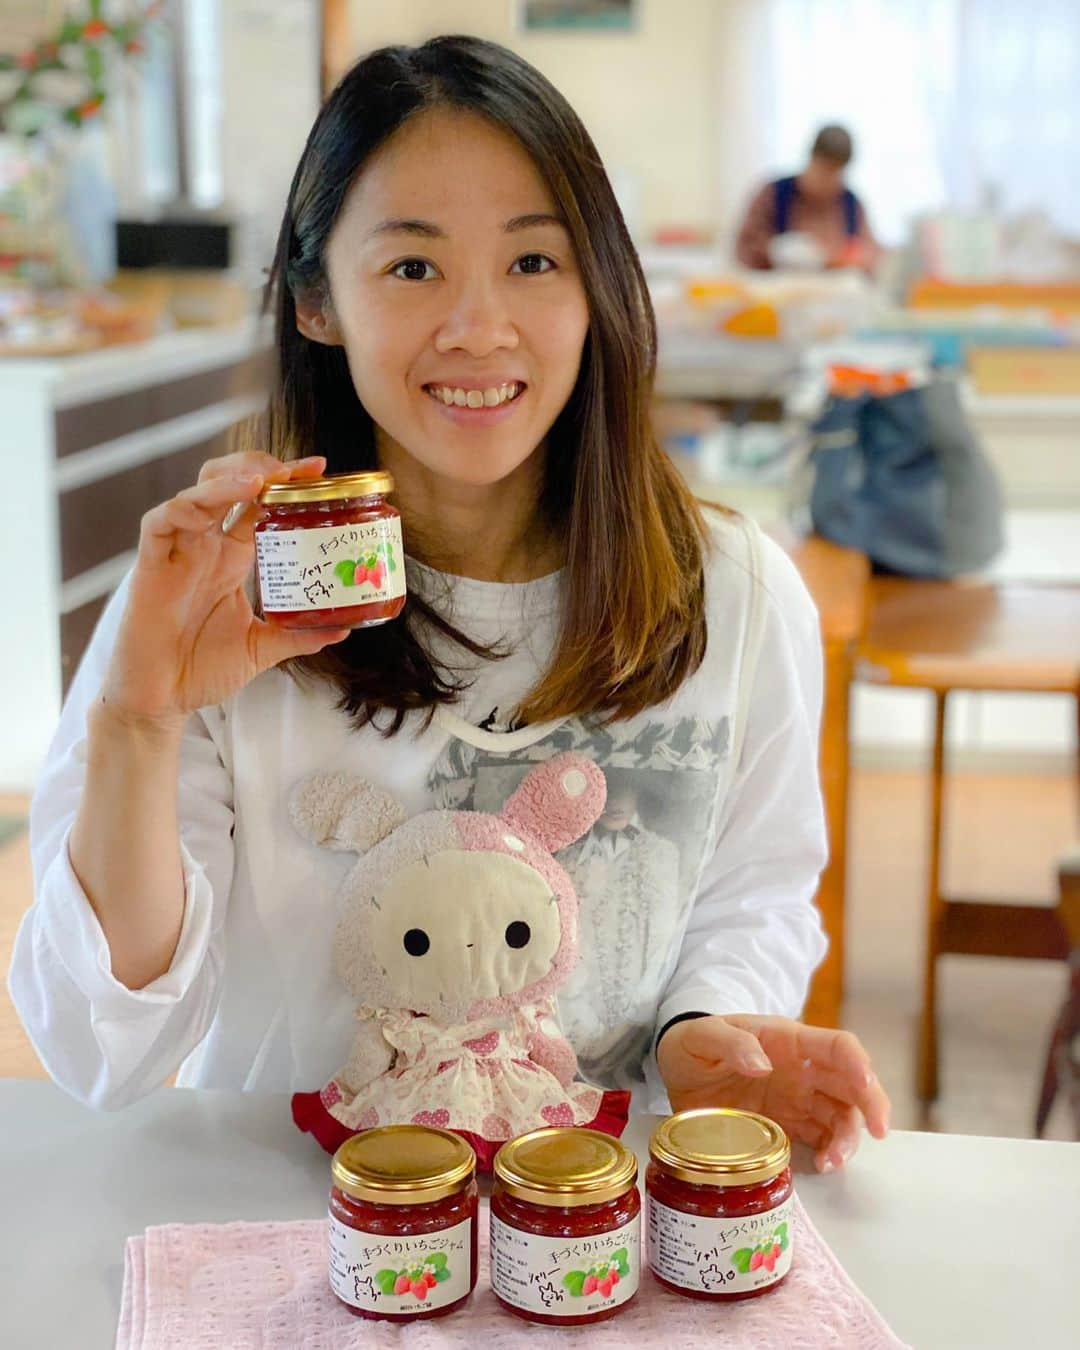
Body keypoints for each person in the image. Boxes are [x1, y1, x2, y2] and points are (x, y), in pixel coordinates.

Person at [9, 36, 889, 1173]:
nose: (480, 326)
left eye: (534, 263)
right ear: (316, 300)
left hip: (593, 1229)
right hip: (296, 1234)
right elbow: (102, 1048)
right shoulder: (219, 598)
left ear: (599, 287)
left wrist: (703, 1029)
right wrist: (137, 717)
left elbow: (753, 887)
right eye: (414, 269)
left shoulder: (737, 592)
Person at [735, 124, 880, 272]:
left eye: (836, 173)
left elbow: (871, 253)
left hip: (835, 291)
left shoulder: (852, 204)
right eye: (824, 171)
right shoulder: (773, 194)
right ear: (811, 159)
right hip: (781, 288)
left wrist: (857, 259)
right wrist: (779, 253)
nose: (829, 181)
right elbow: (744, 248)